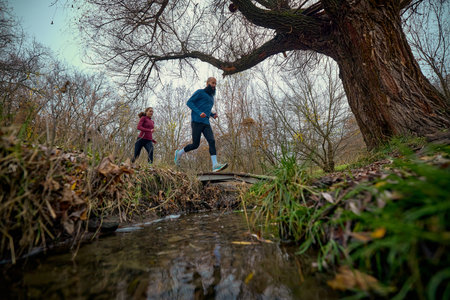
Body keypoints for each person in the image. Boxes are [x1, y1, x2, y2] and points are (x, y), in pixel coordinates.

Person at [174, 77, 228, 172]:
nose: (214, 85)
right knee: (195, 144)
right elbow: (189, 102)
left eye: (215, 84)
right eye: (212, 83)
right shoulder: (200, 92)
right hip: (196, 121)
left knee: (211, 141)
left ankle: (215, 165)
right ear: (207, 83)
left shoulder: (211, 98)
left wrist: (212, 114)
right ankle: (179, 153)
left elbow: (206, 109)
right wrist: (199, 113)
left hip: (206, 123)